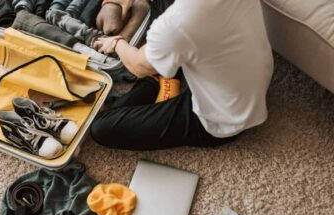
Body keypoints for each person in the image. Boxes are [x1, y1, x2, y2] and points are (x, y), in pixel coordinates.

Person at [90, 0, 274, 150]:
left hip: (224, 117)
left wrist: (116, 43)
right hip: (251, 76)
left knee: (101, 127)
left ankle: (156, 80)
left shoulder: (176, 24)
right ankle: (163, 69)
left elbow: (138, 66)